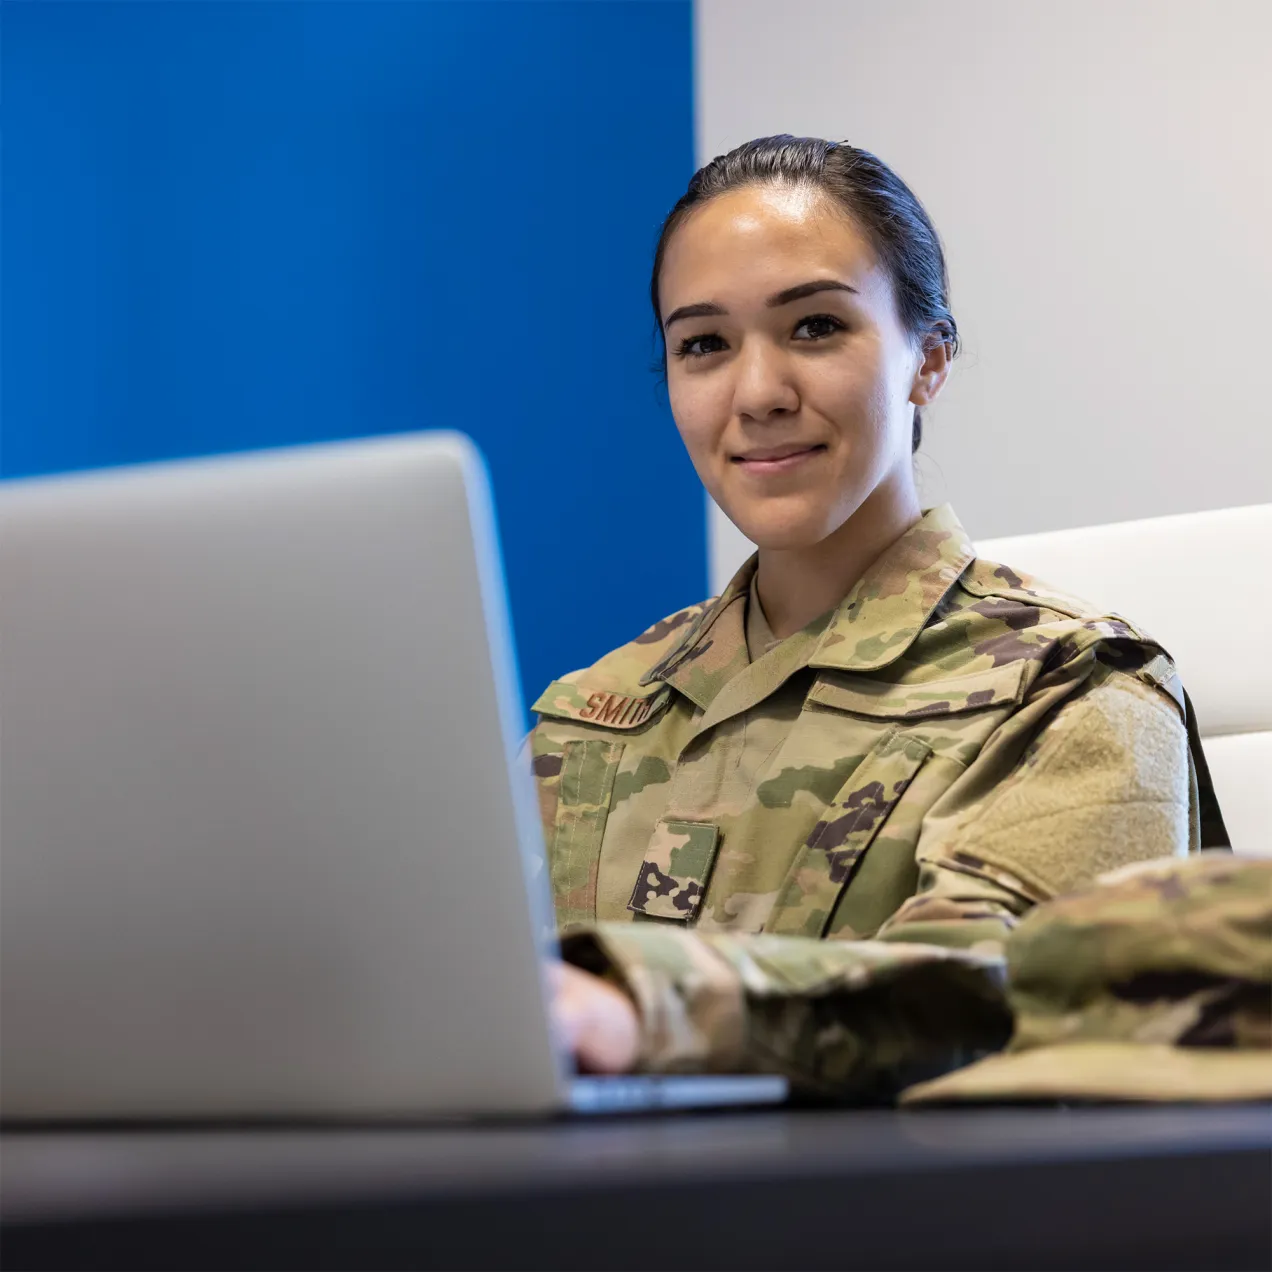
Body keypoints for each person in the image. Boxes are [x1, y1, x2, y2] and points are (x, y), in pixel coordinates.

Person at [533, 135, 1222, 1095]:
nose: (760, 394)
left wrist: (643, 1006)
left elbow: (1009, 995)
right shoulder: (592, 713)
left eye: (815, 327)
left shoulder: (1076, 693)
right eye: (704, 345)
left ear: (927, 360)